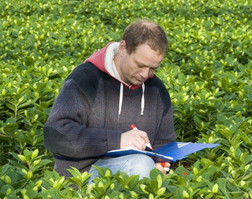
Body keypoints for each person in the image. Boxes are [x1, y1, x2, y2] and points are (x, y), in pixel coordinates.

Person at [43, 19, 175, 179]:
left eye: (153, 68)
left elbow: (164, 144)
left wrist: (160, 164)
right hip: (81, 178)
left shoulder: (156, 90)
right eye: (140, 65)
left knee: (144, 166)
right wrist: (117, 140)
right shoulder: (85, 79)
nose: (145, 74)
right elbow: (56, 134)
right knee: (140, 165)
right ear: (123, 48)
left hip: (135, 174)